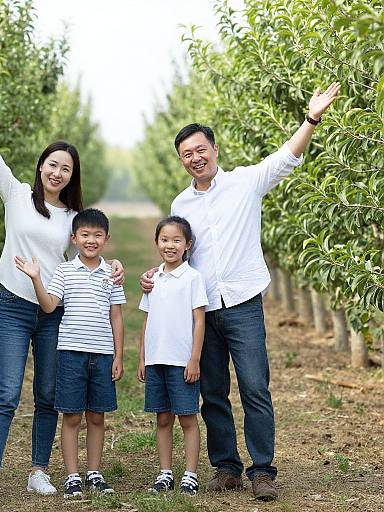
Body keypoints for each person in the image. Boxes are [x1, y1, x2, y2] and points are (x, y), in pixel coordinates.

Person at [141, 82, 341, 500]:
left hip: (244, 303)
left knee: (254, 387)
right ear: (182, 161)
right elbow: (179, 254)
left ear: (214, 149)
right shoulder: (182, 204)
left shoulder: (246, 182)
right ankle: (226, 467)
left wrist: (312, 118)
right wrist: (155, 277)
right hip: (204, 309)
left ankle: (263, 471)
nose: (195, 158)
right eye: (187, 155)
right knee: (212, 391)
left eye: (200, 150)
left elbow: (287, 157)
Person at [0, 86, 123, 507]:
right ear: (40, 167)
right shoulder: (16, 193)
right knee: (5, 392)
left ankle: (39, 469)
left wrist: (116, 267)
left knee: (47, 395)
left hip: (54, 311)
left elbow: (89, 253)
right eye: (52, 164)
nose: (57, 173)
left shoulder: (73, 218)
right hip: (14, 308)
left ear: (72, 177)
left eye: (66, 169)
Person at [15, 208, 125, 499]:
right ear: (74, 238)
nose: (91, 240)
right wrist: (36, 278)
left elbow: (116, 316)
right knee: (72, 417)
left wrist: (118, 355)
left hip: (102, 354)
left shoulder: (111, 273)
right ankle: (72, 476)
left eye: (97, 235)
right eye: (85, 235)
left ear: (106, 239)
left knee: (97, 416)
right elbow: (50, 306)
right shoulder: (64, 271)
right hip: (70, 354)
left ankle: (94, 472)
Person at [137, 216, 208, 495]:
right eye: (164, 240)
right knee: (162, 418)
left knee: (187, 417)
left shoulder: (192, 278)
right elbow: (148, 319)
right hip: (157, 360)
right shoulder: (154, 279)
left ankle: (190, 474)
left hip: (181, 362)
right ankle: (165, 472)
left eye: (177, 240)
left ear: (187, 244)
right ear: (157, 243)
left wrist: (194, 359)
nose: (170, 245)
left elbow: (199, 321)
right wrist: (143, 356)